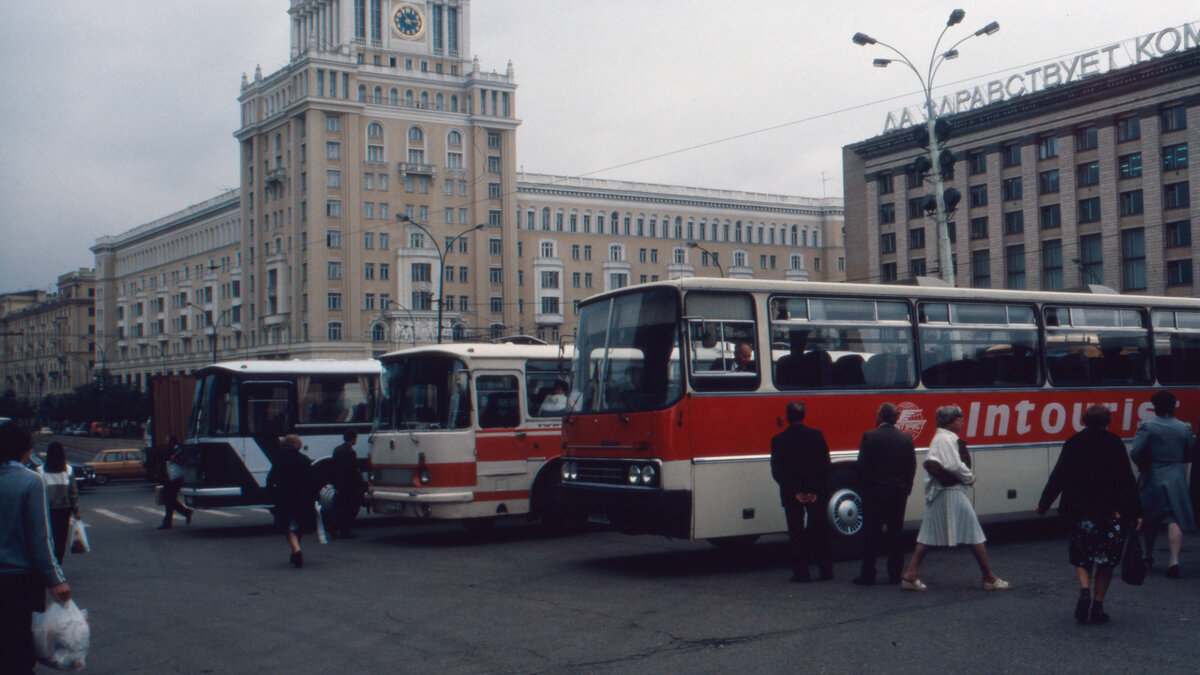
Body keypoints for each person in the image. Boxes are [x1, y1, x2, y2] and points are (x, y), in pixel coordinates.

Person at [1037, 404, 1142, 624]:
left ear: (1084, 420)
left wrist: (1044, 504)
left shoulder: (1074, 442)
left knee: (1082, 554)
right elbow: (1127, 480)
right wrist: (1136, 512)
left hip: (1081, 512)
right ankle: (1098, 605)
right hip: (1111, 512)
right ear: (1107, 421)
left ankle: (1084, 590)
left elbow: (1059, 476)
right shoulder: (1115, 443)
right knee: (1106, 560)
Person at [900, 405, 1010, 592]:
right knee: (974, 532)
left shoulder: (942, 437)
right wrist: (970, 477)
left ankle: (911, 574)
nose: (962, 421)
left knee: (928, 534)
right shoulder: (945, 439)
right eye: (959, 418)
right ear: (949, 422)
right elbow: (954, 465)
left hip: (941, 492)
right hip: (950, 492)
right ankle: (989, 577)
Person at [0, 420, 71, 673]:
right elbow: (40, 538)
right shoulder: (31, 481)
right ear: (24, 450)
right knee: (19, 651)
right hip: (19, 581)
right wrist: (56, 579)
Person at [1130, 389, 1196, 579]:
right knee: (1173, 518)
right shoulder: (1184, 428)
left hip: (1153, 473)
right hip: (1175, 475)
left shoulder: (1148, 427)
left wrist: (1143, 465)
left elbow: (1135, 452)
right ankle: (1174, 560)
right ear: (1174, 406)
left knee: (1150, 517)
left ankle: (1148, 555)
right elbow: (1188, 453)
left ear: (1154, 406)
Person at [853, 403, 916, 586]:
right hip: (898, 493)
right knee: (895, 534)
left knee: (871, 534)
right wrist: (906, 488)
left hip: (875, 493)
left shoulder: (870, 437)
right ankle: (894, 574)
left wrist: (864, 491)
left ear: (881, 416)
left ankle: (868, 574)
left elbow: (862, 468)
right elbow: (911, 467)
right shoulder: (906, 438)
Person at [770, 401, 832, 582]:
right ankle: (825, 570)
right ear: (804, 415)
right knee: (820, 531)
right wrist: (814, 491)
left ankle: (801, 573)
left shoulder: (778, 440)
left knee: (796, 533)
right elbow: (825, 467)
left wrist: (794, 492)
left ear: (787, 417)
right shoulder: (817, 436)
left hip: (792, 494)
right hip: (816, 493)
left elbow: (777, 471)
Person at [267, 434, 318, 568]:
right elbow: (312, 480)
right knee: (299, 524)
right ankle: (296, 549)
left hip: (285, 497)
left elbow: (271, 479)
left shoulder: (279, 459)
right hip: (303, 498)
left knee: (288, 526)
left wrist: (271, 492)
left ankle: (296, 550)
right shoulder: (305, 460)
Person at [37, 441, 81, 564]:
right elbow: (73, 492)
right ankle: (58, 563)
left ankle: (49, 563)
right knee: (61, 540)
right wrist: (76, 510)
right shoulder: (68, 470)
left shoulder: (40, 470)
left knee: (48, 538)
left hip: (46, 511)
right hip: (64, 510)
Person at [328, 430, 364, 539]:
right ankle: (345, 530)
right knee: (349, 508)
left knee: (339, 506)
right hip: (349, 484)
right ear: (352, 439)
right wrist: (359, 485)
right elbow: (353, 470)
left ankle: (334, 526)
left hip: (339, 482)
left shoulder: (337, 450)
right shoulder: (351, 452)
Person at [158, 435, 194, 529]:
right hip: (169, 478)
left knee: (169, 500)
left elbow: (184, 461)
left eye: (167, 441)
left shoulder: (179, 450)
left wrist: (175, 460)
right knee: (170, 500)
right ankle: (185, 513)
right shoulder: (167, 450)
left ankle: (168, 522)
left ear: (172, 442)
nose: (165, 443)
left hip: (176, 479)